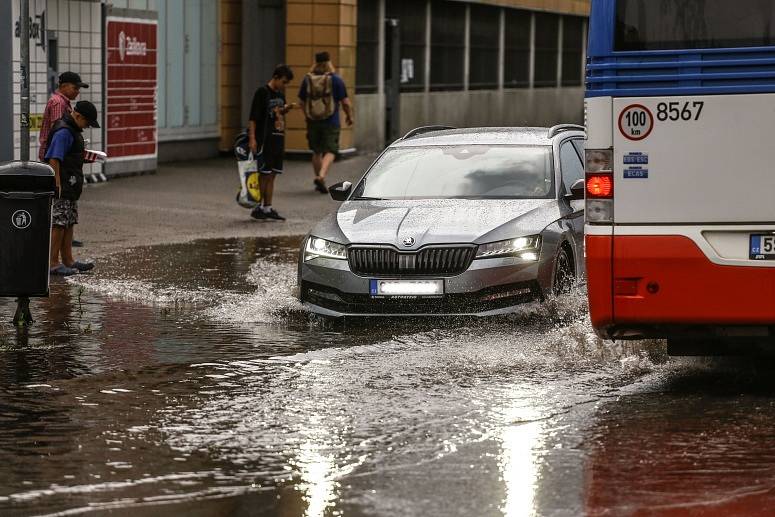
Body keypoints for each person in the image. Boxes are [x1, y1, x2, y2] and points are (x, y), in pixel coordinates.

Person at [44, 101, 100, 276]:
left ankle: (68, 260)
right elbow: (54, 158)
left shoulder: (73, 130)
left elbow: (69, 156)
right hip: (63, 186)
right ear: (78, 116)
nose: (87, 126)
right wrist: (57, 183)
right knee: (59, 224)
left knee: (69, 222)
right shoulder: (64, 131)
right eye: (87, 122)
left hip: (71, 185)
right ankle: (53, 263)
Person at [39, 71, 89, 248]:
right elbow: (58, 139)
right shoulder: (59, 103)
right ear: (64, 86)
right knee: (60, 210)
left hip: (62, 159)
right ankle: (54, 257)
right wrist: (57, 180)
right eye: (75, 88)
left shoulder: (64, 103)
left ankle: (64, 248)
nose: (77, 92)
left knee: (66, 212)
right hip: (57, 161)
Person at [298, 51, 354, 194]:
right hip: (331, 120)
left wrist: (307, 116)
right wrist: (349, 116)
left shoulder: (307, 79)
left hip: (313, 121)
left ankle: (318, 180)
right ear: (329, 62)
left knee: (317, 151)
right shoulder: (335, 79)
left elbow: (301, 102)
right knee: (331, 150)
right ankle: (321, 176)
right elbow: (345, 102)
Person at [248, 64, 296, 221]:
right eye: (283, 81)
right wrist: (252, 139)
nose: (284, 85)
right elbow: (253, 118)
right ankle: (258, 207)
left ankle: (268, 207)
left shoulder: (280, 95)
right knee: (264, 174)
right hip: (265, 140)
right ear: (275, 77)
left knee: (273, 174)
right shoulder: (262, 92)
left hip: (278, 139)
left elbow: (277, 114)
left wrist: (285, 109)